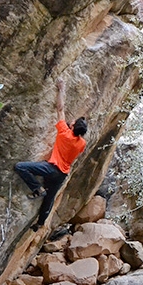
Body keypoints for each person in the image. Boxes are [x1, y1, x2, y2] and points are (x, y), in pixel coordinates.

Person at [14, 78, 87, 230]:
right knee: (50, 199)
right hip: (61, 175)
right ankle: (40, 224)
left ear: (72, 126)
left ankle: (37, 188)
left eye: (72, 122)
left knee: (21, 167)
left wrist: (61, 89)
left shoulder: (64, 133)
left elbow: (60, 108)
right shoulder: (82, 144)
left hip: (51, 168)